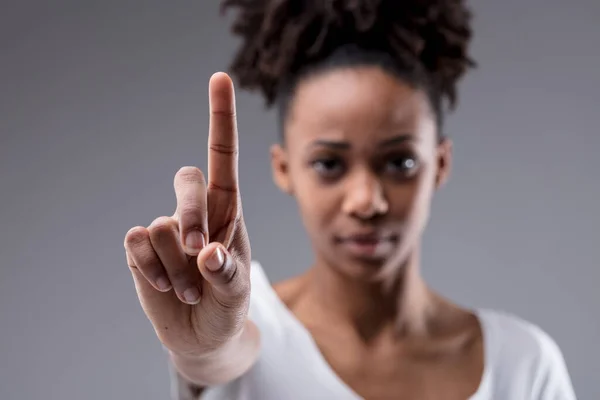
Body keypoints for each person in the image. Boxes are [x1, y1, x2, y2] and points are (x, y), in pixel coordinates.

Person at [123, 0, 577, 399]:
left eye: (400, 162)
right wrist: (204, 347)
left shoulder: (522, 366)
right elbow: (221, 355)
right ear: (285, 168)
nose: (366, 201)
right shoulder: (241, 317)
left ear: (439, 164)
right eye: (328, 164)